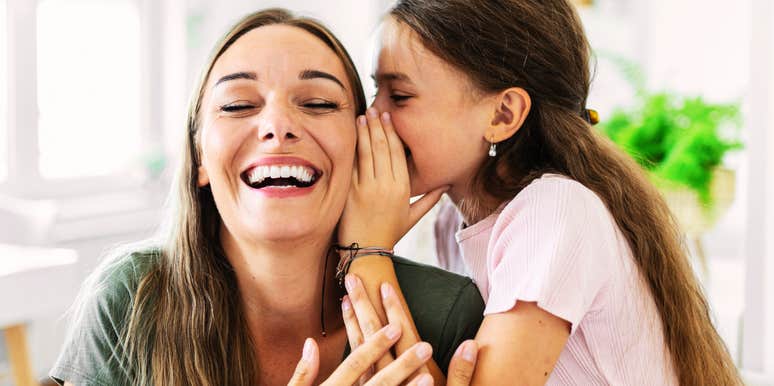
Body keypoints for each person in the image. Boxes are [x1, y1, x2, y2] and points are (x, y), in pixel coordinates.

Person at [48, 8, 485, 386]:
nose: (278, 126)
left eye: (318, 103)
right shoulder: (131, 298)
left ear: (362, 146)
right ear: (200, 157)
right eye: (237, 106)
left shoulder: (444, 313)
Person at [339, 0, 743, 385]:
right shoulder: (452, 221)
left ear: (503, 114)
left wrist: (367, 249)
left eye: (400, 97)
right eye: (376, 93)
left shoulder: (554, 212)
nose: (370, 118)